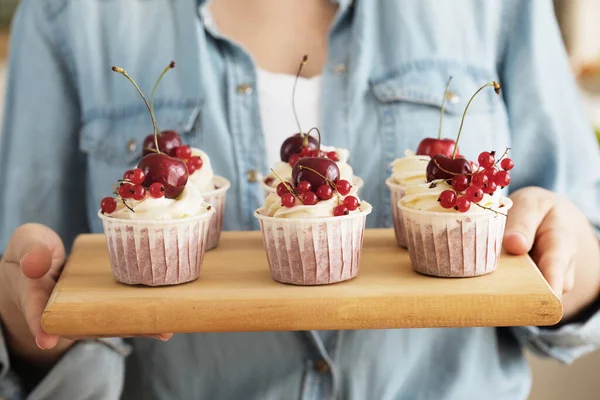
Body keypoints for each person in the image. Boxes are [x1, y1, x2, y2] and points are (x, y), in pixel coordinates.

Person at [1, 0, 600, 399]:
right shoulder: (67, 14)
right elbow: (43, 301)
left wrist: (567, 254)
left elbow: (578, 253)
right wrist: (30, 328)